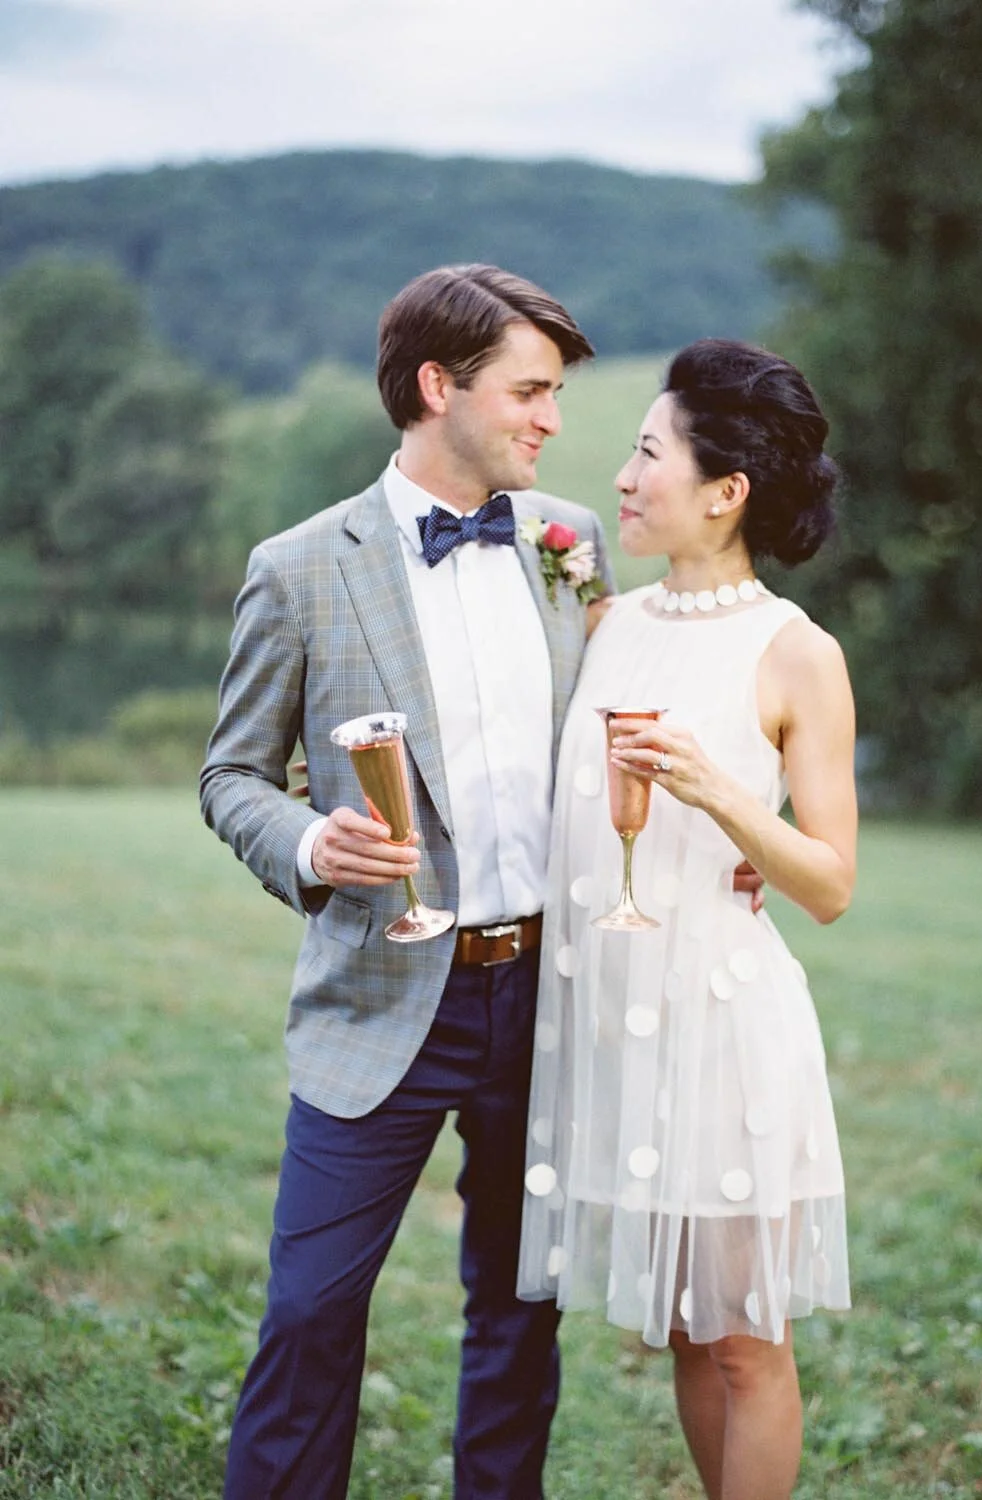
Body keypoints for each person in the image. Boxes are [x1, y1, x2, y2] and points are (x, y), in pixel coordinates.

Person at [200, 263, 612, 1500]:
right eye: (528, 392)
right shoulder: (300, 567)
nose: (551, 420)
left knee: (521, 1306)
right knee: (310, 1311)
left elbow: (613, 738)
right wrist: (309, 845)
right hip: (380, 997)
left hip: (544, 994)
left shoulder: (569, 543)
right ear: (439, 386)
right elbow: (233, 775)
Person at [518, 339, 857, 1500]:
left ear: (726, 492)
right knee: (682, 1326)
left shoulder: (796, 653)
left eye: (647, 453)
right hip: (619, 1031)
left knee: (746, 1342)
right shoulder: (607, 624)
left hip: (723, 1034)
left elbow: (830, 883)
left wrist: (719, 793)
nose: (621, 477)